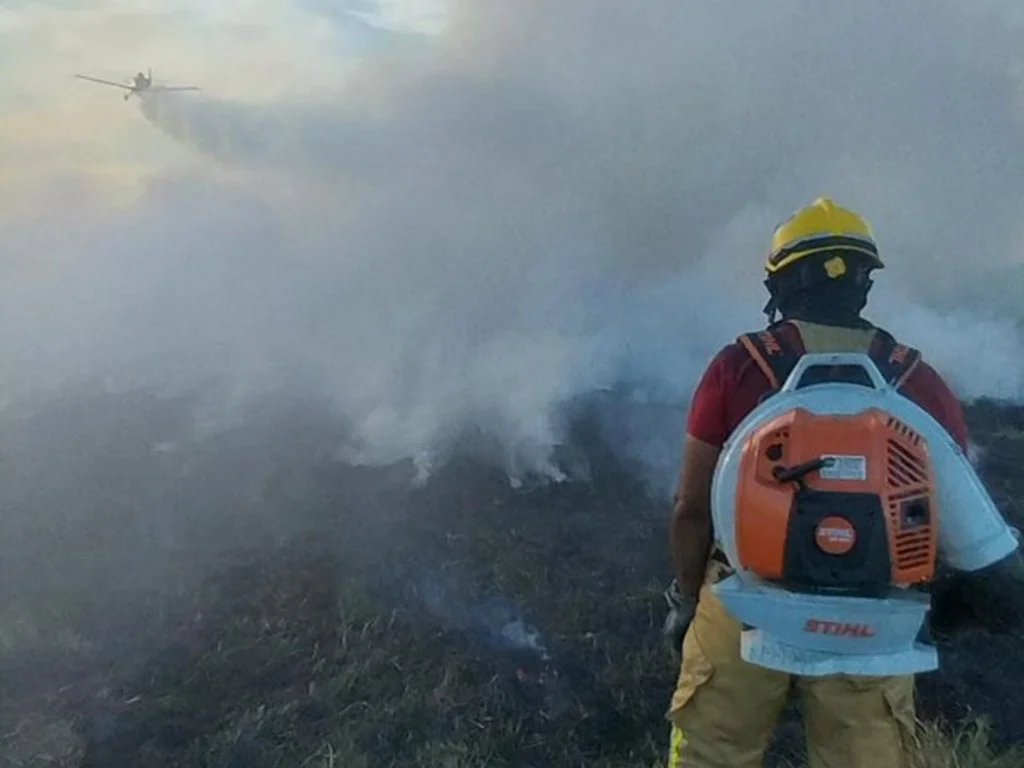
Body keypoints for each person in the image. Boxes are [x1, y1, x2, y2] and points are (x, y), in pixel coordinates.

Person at [661, 198, 973, 768]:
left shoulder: (739, 366)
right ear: (863, 281)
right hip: (870, 617)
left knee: (711, 756)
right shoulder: (916, 379)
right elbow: (954, 514)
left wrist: (686, 599)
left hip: (743, 602)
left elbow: (690, 506)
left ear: (781, 283)